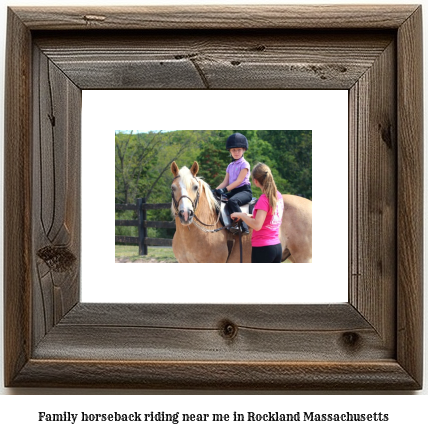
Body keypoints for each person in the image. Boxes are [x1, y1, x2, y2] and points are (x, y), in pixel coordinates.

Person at [231, 162, 284, 263]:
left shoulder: (264, 199)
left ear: (255, 181)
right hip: (276, 247)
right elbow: (269, 217)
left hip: (263, 248)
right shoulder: (278, 195)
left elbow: (257, 225)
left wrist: (241, 215)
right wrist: (250, 216)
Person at [214, 133, 252, 234]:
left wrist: (225, 190)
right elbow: (225, 182)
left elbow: (239, 181)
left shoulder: (245, 164)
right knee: (218, 199)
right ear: (230, 151)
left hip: (244, 191)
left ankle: (243, 226)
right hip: (234, 191)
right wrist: (214, 191)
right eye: (233, 150)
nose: (236, 152)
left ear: (244, 150)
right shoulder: (230, 166)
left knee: (232, 201)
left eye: (239, 150)